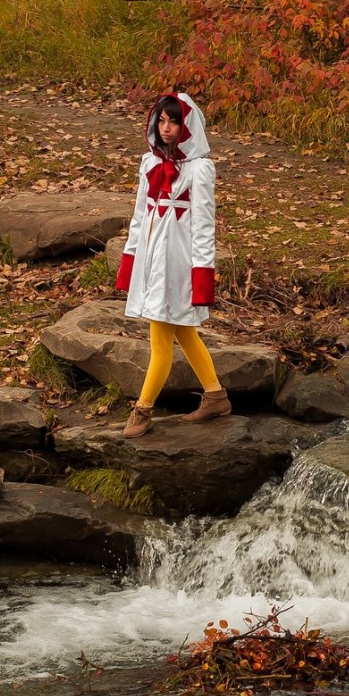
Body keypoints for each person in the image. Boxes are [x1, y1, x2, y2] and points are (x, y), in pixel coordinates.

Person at [115, 91, 231, 438]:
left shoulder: (200, 169)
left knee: (162, 337)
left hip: (179, 264)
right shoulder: (149, 163)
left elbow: (203, 226)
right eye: (161, 121)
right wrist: (131, 258)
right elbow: (139, 215)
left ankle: (143, 409)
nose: (166, 128)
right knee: (182, 329)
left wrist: (201, 274)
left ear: (188, 125)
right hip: (152, 259)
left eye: (174, 121)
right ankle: (215, 395)